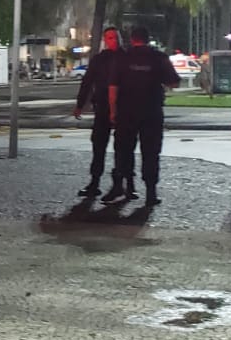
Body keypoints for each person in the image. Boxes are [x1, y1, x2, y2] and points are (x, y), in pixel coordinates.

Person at [106, 26, 180, 207]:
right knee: (151, 152)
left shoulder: (123, 57)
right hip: (151, 111)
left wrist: (113, 111)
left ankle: (126, 186)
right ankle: (150, 192)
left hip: (126, 111)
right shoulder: (159, 57)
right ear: (148, 39)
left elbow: (113, 87)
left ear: (132, 39)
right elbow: (174, 82)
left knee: (124, 150)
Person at [71, 26, 123, 198]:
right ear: (104, 40)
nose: (112, 41)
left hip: (123, 109)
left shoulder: (126, 58)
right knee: (98, 146)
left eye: (114, 37)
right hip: (101, 107)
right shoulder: (100, 59)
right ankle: (95, 182)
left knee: (122, 148)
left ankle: (120, 184)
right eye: (109, 38)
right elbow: (87, 82)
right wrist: (80, 104)